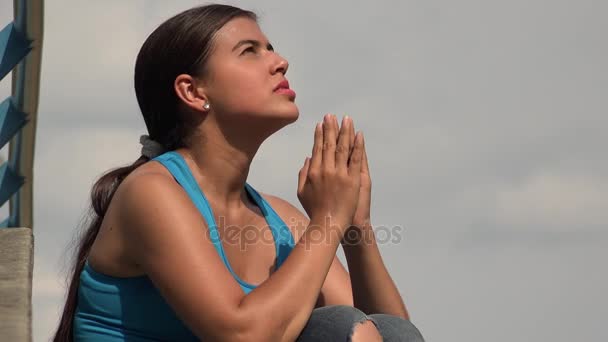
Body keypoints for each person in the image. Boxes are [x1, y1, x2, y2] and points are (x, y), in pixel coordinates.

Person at [53, 4, 424, 342]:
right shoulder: (151, 192)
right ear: (193, 92)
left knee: (388, 331)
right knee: (337, 328)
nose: (280, 62)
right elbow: (242, 337)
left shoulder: (282, 220)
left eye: (270, 48)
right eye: (250, 51)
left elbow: (392, 335)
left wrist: (354, 224)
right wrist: (328, 218)